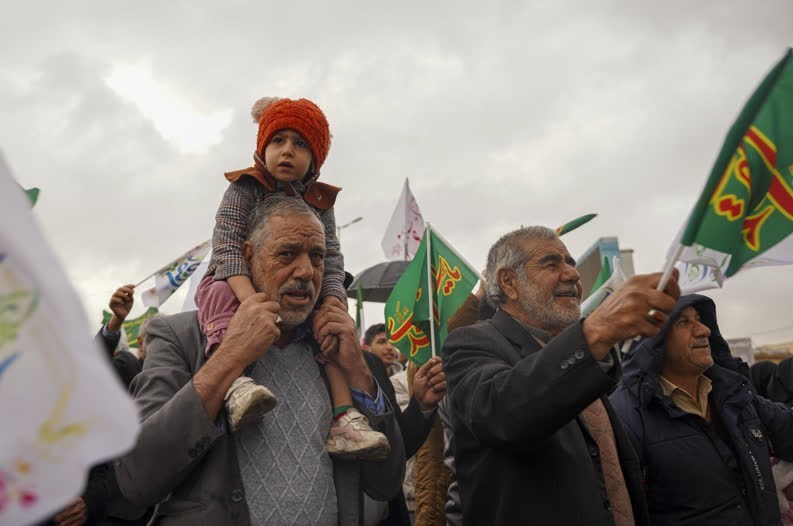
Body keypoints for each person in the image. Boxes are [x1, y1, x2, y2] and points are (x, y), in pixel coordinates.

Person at [115, 196, 405, 525]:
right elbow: (137, 478)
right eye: (287, 253)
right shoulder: (181, 337)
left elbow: (386, 483)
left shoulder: (334, 352)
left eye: (317, 256)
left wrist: (359, 372)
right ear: (248, 257)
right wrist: (229, 355)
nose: (306, 271)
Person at [443, 225, 681, 526]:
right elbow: (502, 412)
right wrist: (598, 329)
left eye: (570, 262)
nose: (572, 274)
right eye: (551, 263)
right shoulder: (470, 344)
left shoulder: (584, 358)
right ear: (509, 282)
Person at [194, 95, 387, 460]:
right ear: (261, 147)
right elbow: (228, 246)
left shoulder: (321, 203)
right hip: (234, 282)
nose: (287, 151)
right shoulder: (243, 187)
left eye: (300, 144)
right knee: (219, 295)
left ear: (315, 159)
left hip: (294, 299)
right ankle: (234, 383)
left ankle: (344, 416)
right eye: (278, 141)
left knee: (327, 329)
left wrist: (332, 301)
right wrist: (250, 301)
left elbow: (330, 259)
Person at [610, 294, 793, 526]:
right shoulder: (626, 416)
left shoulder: (736, 396)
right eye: (684, 322)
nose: (704, 330)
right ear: (651, 341)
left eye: (699, 319)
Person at [361, 323, 447, 525]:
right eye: (382, 341)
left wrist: (420, 406)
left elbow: (399, 446)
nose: (389, 347)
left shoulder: (371, 365)